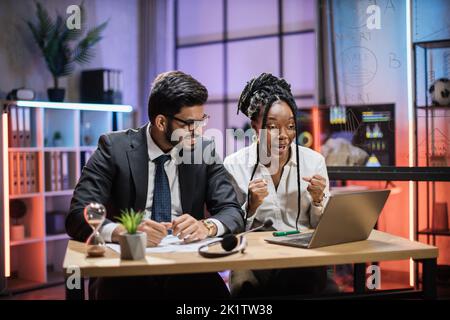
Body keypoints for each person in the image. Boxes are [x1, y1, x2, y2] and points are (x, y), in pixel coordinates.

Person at [66, 70, 244, 299]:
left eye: (201, 122)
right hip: (127, 270)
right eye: (190, 124)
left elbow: (232, 211)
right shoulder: (114, 148)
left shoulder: (203, 151)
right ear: (161, 121)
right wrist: (125, 232)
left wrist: (206, 226)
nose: (198, 131)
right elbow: (77, 215)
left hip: (188, 268)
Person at [223, 73, 336, 298]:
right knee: (243, 287)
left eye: (291, 126)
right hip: (254, 256)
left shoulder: (313, 162)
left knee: (310, 282)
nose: (284, 135)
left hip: (302, 257)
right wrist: (251, 206)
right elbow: (230, 232)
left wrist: (317, 200)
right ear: (255, 127)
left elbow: (323, 228)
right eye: (273, 127)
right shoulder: (234, 165)